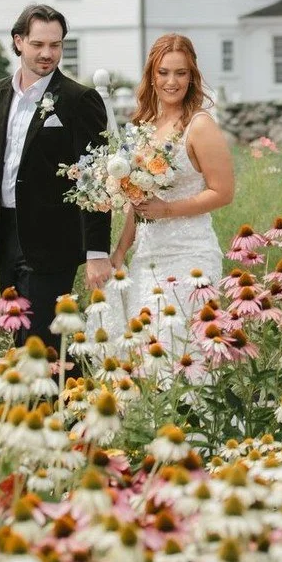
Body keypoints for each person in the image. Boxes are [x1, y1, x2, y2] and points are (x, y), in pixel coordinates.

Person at [0, 4, 112, 350]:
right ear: (18, 42)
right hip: (6, 237)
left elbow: (96, 179)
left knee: (42, 343)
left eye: (55, 46)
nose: (47, 54)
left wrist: (97, 251)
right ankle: (36, 404)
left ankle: (53, 402)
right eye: (38, 44)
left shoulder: (79, 100)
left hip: (54, 242)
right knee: (20, 336)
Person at [105, 34, 234, 342]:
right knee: (143, 348)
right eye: (163, 72)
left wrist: (167, 210)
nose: (171, 81)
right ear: (152, 76)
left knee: (178, 346)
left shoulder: (200, 126)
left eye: (181, 73)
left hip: (190, 253)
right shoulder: (143, 125)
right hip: (146, 254)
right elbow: (138, 200)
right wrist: (121, 250)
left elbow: (223, 192)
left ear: (192, 77)